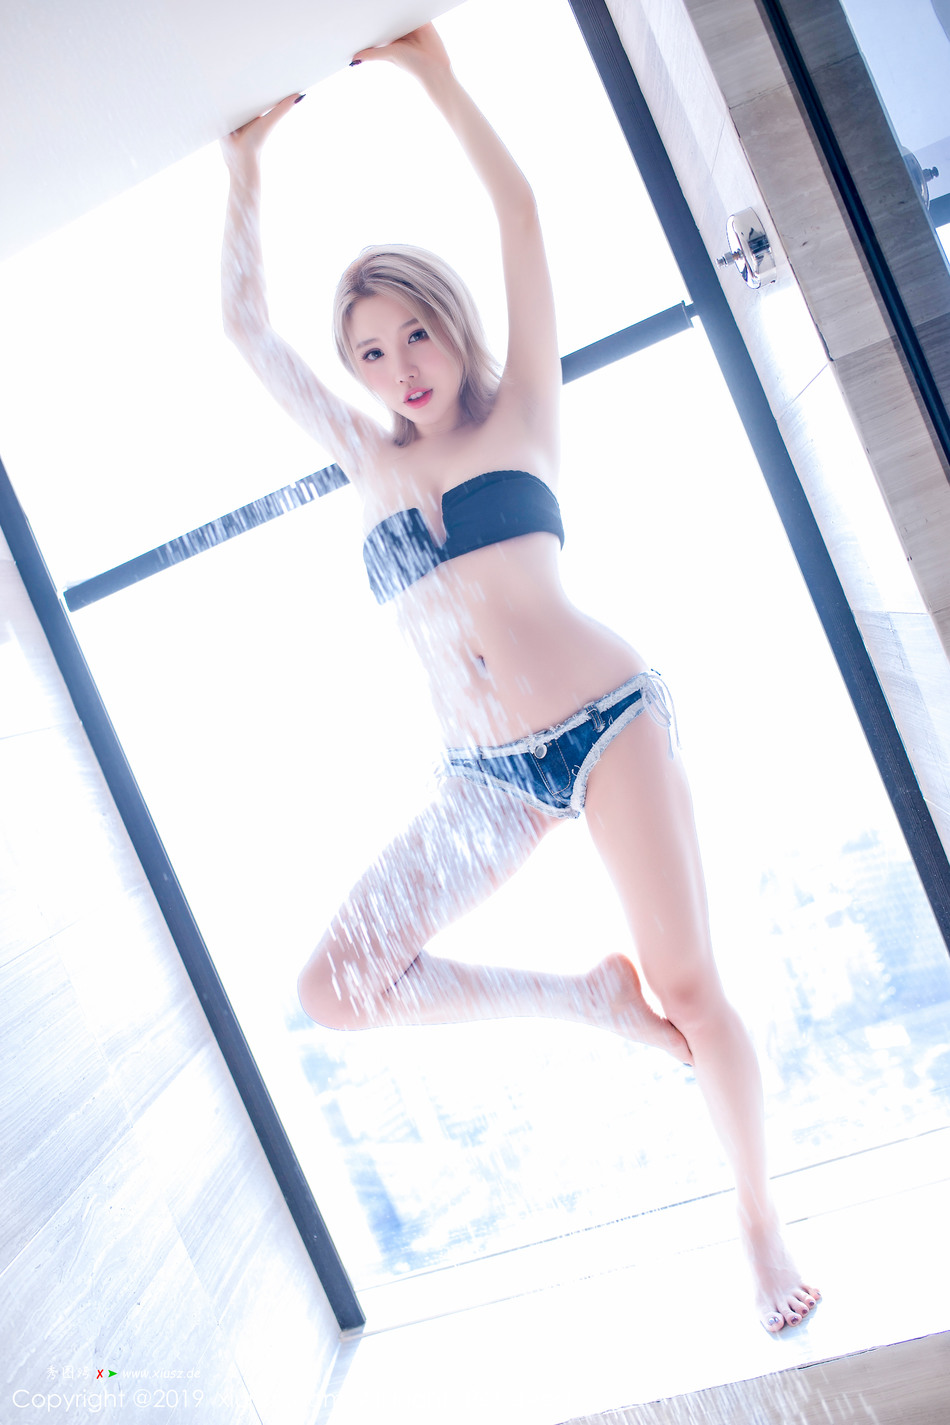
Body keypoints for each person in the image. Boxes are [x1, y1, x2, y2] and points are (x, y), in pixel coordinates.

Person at [220, 23, 819, 1333]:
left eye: (415, 334)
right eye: (370, 354)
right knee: (334, 989)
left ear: (452, 326)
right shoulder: (363, 456)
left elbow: (522, 215)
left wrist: (436, 77)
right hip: (481, 779)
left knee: (691, 985)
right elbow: (247, 331)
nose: (400, 368)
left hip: (608, 725)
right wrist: (245, 170)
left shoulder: (522, 414)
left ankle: (759, 1226)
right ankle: (585, 1005)